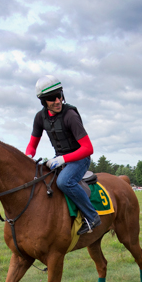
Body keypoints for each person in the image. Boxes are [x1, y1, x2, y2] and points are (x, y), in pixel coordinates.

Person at [25, 75, 101, 235]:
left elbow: (88, 148)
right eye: (51, 98)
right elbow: (32, 145)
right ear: (43, 101)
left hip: (80, 159)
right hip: (60, 159)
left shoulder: (70, 116)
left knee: (64, 182)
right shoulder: (40, 117)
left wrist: (62, 159)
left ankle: (92, 216)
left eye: (59, 95)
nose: (58, 100)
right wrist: (27, 159)